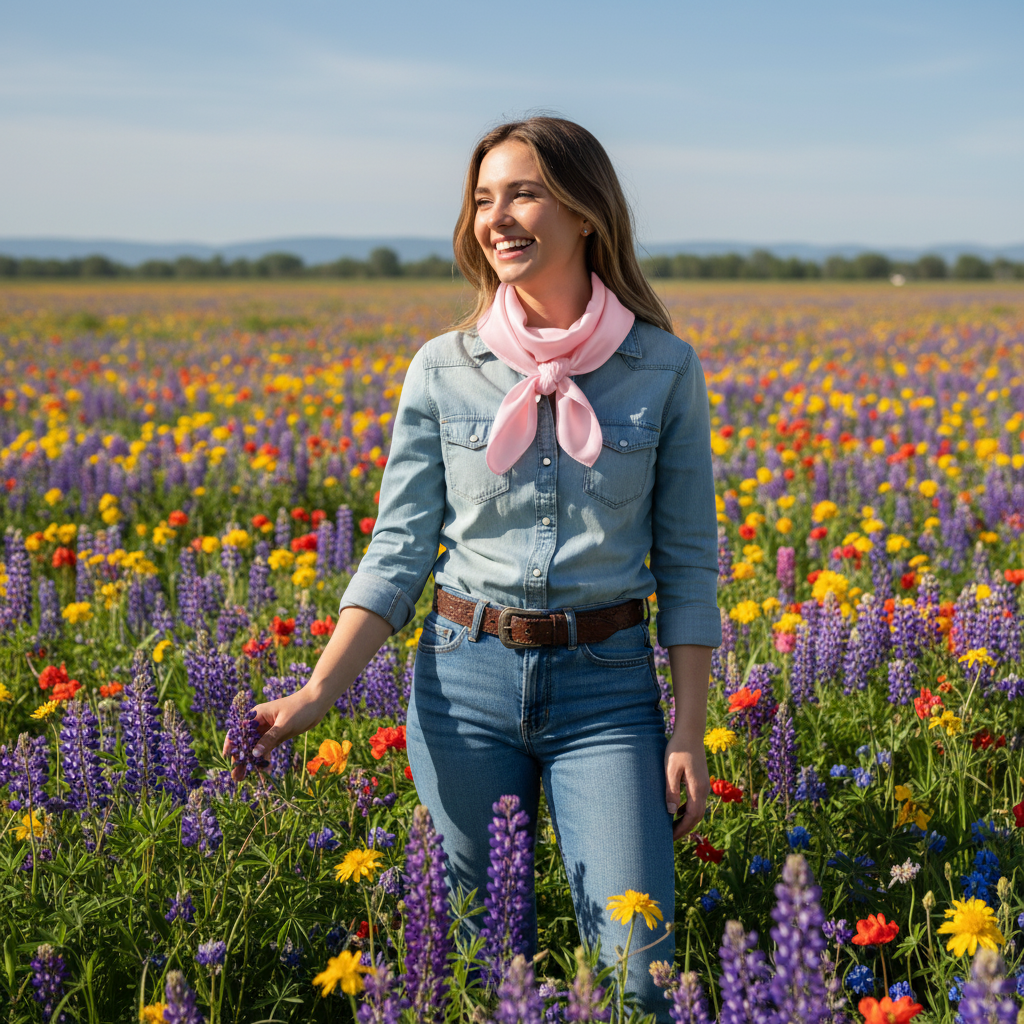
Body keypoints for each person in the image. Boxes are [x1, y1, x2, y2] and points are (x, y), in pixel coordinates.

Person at [227, 116, 720, 1020]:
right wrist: (318, 692)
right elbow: (399, 549)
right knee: (479, 968)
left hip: (604, 689)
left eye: (524, 192)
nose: (498, 217)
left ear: (586, 213)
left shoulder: (663, 367)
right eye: (484, 199)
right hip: (464, 680)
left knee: (638, 970)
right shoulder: (443, 368)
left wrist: (687, 731)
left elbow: (689, 564)